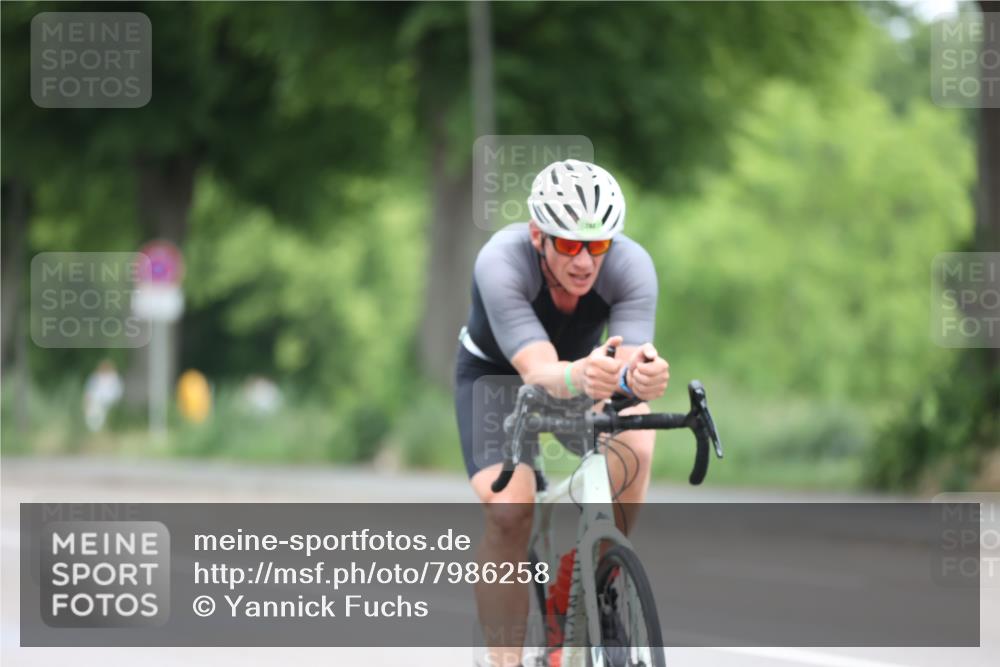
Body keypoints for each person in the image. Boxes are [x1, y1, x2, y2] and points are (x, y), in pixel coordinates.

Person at [454, 159, 670, 666]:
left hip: (583, 369)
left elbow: (630, 358)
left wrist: (643, 375)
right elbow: (538, 370)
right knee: (510, 512)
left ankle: (591, 575)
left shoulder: (631, 264)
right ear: (537, 235)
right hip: (498, 378)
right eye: (569, 244)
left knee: (637, 439)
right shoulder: (500, 261)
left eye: (597, 245)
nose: (584, 262)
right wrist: (590, 375)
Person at [83, 359, 123, 432]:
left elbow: (118, 393)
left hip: (109, 404)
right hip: (96, 403)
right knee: (94, 419)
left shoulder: (114, 378)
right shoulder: (94, 378)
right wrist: (87, 405)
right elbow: (88, 393)